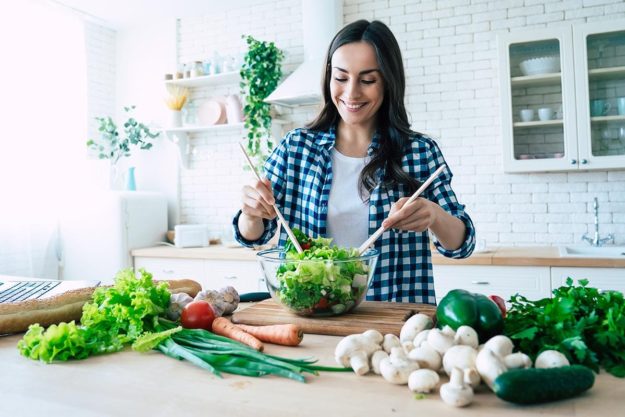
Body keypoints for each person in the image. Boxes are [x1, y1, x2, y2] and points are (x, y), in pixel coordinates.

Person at [233, 19, 475, 304]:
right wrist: (251, 213)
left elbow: (462, 244)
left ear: (388, 81)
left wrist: (434, 215)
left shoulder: (419, 152)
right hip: (311, 316)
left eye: (368, 80)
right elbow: (255, 237)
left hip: (393, 319)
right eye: (341, 77)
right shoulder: (296, 147)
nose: (351, 93)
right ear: (328, 77)